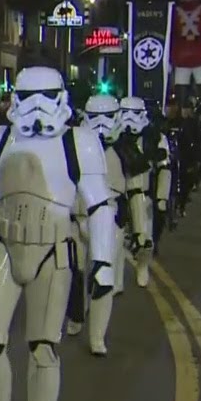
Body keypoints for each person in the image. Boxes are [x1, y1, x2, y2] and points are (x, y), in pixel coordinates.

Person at [0, 65, 117, 401]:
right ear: (13, 97)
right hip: (4, 243)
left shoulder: (78, 143)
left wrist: (102, 261)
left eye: (46, 96)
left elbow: (99, 205)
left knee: (43, 345)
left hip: (53, 247)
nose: (36, 107)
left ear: (61, 97)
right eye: (26, 96)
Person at [66, 95, 128, 357]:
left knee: (104, 277)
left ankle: (97, 335)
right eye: (95, 118)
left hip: (107, 218)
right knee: (74, 272)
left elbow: (136, 184)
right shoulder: (75, 145)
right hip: (75, 216)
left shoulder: (124, 149)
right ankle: (77, 316)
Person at [116, 96, 172, 287]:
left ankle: (142, 266)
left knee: (144, 240)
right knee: (114, 239)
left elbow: (165, 168)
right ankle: (115, 279)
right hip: (116, 193)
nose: (130, 119)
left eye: (135, 114)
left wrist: (162, 197)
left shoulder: (155, 138)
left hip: (142, 193)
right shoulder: (113, 137)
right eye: (125, 113)